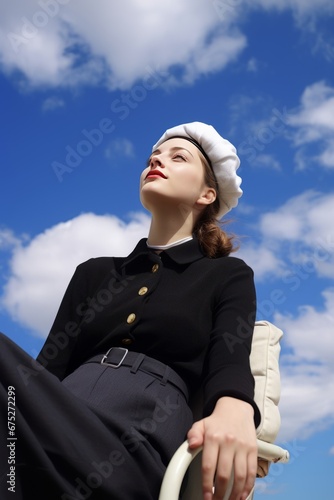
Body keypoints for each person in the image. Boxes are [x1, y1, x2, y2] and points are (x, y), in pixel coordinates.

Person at [0, 121, 260, 500]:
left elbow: (230, 359)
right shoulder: (93, 272)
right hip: (52, 420)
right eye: (153, 156)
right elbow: (44, 371)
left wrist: (235, 409)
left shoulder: (226, 274)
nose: (157, 160)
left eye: (178, 156)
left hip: (136, 440)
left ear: (207, 194)